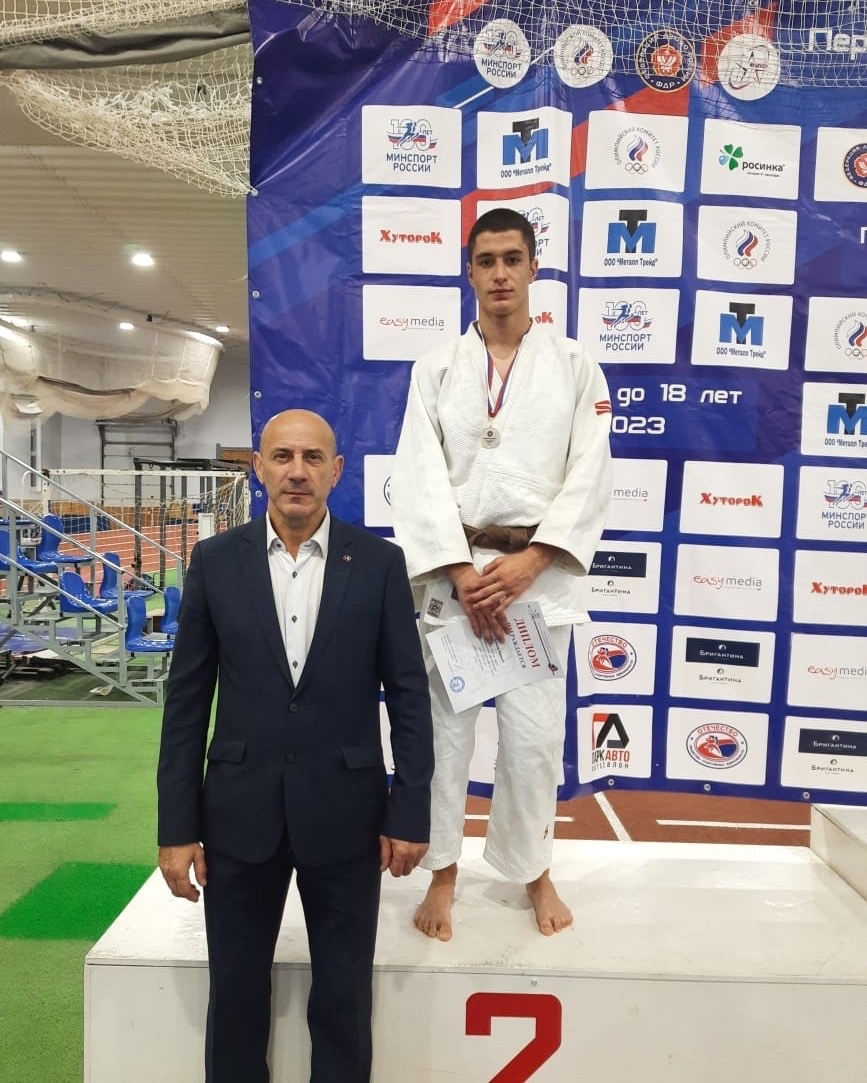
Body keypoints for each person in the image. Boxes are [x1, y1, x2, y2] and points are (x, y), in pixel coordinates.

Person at [156, 409, 434, 1083]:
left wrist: (409, 810)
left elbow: (408, 695)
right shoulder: (216, 562)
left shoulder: (380, 564)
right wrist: (177, 826)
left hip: (346, 815)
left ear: (336, 471)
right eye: (282, 457)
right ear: (259, 467)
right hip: (237, 814)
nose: (297, 472)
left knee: (343, 996)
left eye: (312, 458)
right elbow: (187, 703)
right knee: (235, 994)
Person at [390, 207, 612, 941]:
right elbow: (418, 474)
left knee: (532, 742)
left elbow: (590, 471)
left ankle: (531, 868)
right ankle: (443, 871)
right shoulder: (437, 369)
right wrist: (460, 570)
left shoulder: (574, 365)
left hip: (536, 581)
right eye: (485, 261)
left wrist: (533, 560)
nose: (499, 274)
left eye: (512, 259)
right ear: (469, 272)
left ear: (533, 267)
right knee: (444, 737)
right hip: (456, 583)